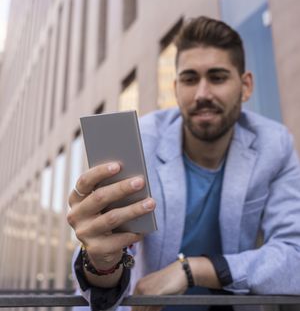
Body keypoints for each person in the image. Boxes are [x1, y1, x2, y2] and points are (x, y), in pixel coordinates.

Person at [68, 16, 300, 311]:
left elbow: (295, 256)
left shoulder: (274, 144)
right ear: (176, 88)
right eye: (190, 80)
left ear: (246, 86)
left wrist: (192, 269)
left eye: (217, 77)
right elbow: (111, 257)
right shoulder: (140, 142)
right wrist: (100, 262)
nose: (202, 94)